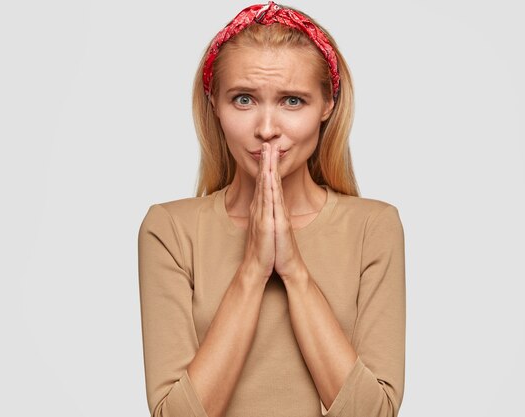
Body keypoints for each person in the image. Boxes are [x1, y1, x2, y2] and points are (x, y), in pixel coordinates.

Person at [137, 2, 406, 416]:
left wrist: (294, 270)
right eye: (243, 99)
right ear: (214, 104)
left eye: (292, 101)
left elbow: (374, 413)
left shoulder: (374, 227)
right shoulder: (171, 230)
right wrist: (252, 270)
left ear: (327, 106)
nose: (266, 128)